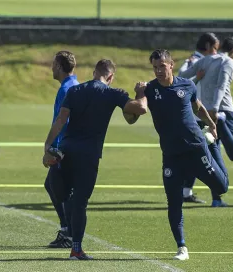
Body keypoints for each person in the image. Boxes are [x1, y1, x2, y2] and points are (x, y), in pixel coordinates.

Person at [42, 59, 148, 260]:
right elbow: (141, 109)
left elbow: (61, 120)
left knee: (65, 194)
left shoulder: (75, 91)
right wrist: (141, 92)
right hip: (88, 155)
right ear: (110, 77)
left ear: (93, 73)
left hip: (66, 150)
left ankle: (66, 221)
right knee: (80, 202)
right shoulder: (112, 93)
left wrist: (47, 146)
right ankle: (76, 249)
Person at [140, 49, 229, 260]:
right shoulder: (150, 90)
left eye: (162, 66)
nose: (158, 71)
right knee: (174, 201)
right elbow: (132, 117)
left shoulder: (186, 85)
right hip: (171, 155)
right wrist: (139, 94)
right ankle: (182, 247)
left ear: (171, 65)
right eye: (155, 67)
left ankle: (213, 148)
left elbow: (198, 107)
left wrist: (212, 125)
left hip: (196, 149)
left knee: (221, 187)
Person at [179, 36, 233, 207]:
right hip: (222, 112)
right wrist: (215, 111)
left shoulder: (205, 60)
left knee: (214, 155)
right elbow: (222, 86)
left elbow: (183, 75)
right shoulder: (228, 61)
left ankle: (216, 199)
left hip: (203, 115)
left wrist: (188, 63)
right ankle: (220, 124)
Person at [178, 32, 220, 204]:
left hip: (202, 114)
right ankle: (217, 194)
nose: (217, 52)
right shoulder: (194, 62)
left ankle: (186, 192)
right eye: (216, 48)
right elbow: (179, 85)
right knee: (204, 154)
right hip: (197, 116)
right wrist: (197, 77)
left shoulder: (207, 62)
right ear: (209, 47)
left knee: (198, 155)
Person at [45, 51, 80, 248]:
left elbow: (62, 121)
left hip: (63, 147)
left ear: (59, 66)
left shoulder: (67, 89)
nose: (51, 68)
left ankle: (68, 231)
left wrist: (52, 148)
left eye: (53, 64)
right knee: (53, 186)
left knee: (59, 188)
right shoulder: (72, 86)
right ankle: (67, 229)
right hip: (68, 145)